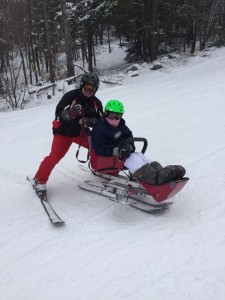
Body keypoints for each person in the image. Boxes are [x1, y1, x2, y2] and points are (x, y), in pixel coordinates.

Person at [33, 73, 103, 195]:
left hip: (80, 133)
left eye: (92, 88)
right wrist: (70, 114)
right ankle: (40, 180)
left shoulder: (96, 103)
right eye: (87, 86)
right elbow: (58, 115)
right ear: (82, 85)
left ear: (95, 90)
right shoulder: (71, 96)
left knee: (98, 146)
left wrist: (92, 121)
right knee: (55, 157)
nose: (88, 90)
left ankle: (102, 169)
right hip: (63, 132)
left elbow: (101, 121)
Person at [91, 99, 186, 185]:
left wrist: (129, 148)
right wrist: (118, 151)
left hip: (123, 154)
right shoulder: (99, 128)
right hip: (110, 157)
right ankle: (154, 178)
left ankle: (160, 173)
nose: (115, 119)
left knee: (140, 157)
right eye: (112, 115)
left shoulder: (121, 126)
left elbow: (130, 138)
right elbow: (99, 148)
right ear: (106, 113)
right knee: (133, 160)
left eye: (118, 115)